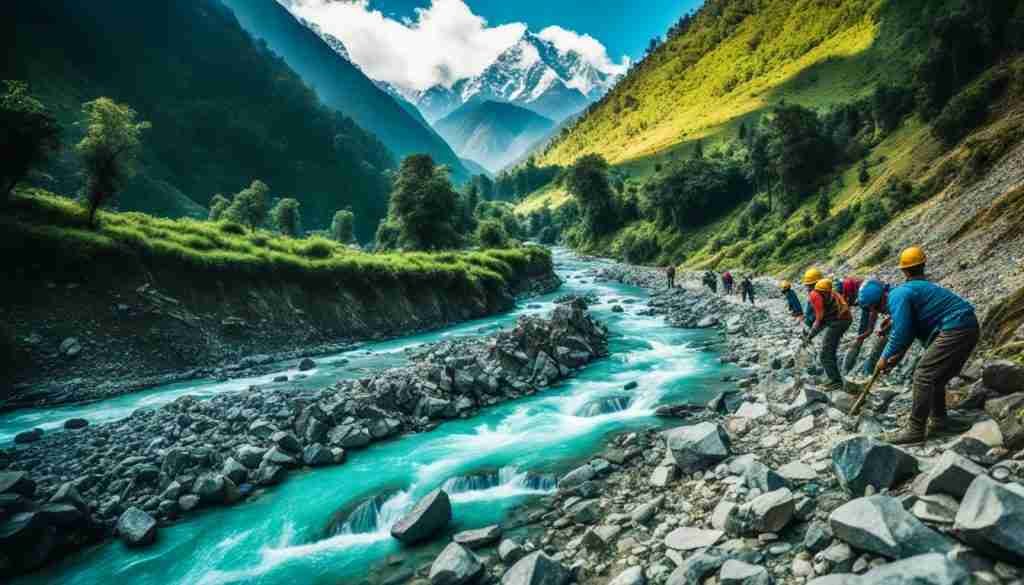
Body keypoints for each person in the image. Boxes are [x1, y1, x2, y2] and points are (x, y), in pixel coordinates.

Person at [858, 246, 979, 444]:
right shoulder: (907, 290)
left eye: (875, 309)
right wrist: (895, 358)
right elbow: (911, 330)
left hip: (956, 327)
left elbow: (901, 333)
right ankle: (939, 420)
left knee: (923, 374)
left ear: (876, 302)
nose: (880, 313)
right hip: (965, 325)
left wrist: (884, 357)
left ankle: (915, 429)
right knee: (935, 376)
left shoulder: (898, 295)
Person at [803, 278, 852, 392]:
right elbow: (823, 321)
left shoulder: (817, 296)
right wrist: (810, 336)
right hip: (840, 320)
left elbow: (819, 320)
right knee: (829, 351)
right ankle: (835, 379)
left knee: (825, 354)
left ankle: (835, 381)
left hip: (839, 322)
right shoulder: (829, 296)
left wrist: (809, 337)